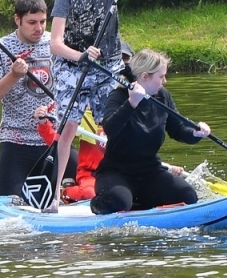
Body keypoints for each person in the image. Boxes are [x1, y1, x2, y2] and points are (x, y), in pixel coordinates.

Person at [48, 0, 161, 209]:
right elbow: (55, 43)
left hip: (108, 65)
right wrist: (81, 56)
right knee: (68, 127)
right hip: (72, 66)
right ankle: (54, 197)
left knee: (116, 126)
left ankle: (134, 179)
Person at [89, 49, 209, 214]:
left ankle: (137, 202)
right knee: (118, 201)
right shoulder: (118, 96)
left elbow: (178, 129)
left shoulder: (162, 96)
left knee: (188, 196)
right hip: (116, 171)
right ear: (145, 76)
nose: (165, 81)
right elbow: (110, 128)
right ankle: (105, 203)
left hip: (150, 170)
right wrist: (132, 103)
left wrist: (196, 133)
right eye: (161, 77)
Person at [0, 0, 56, 199]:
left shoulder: (56, 43)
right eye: (32, 22)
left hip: (53, 140)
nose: (39, 28)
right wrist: (13, 75)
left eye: (43, 21)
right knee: (9, 203)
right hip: (16, 142)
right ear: (17, 20)